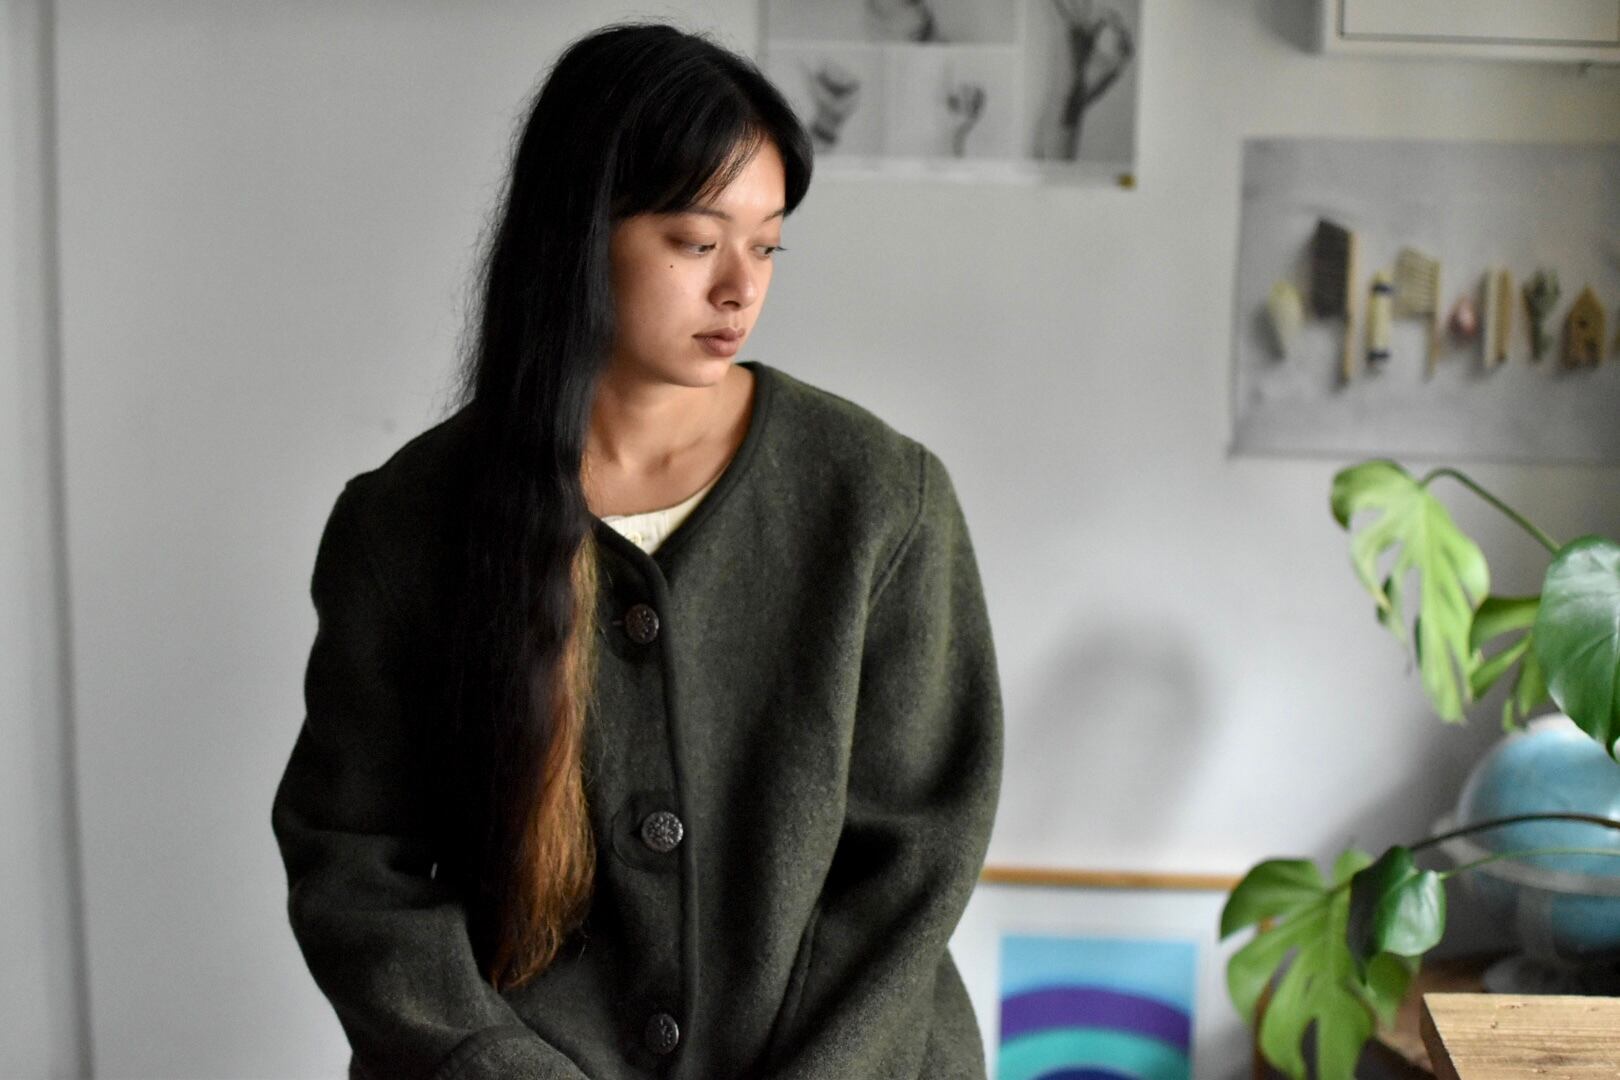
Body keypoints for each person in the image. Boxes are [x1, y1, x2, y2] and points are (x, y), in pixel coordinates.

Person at [270, 21, 1003, 1080]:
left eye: (767, 245)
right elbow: (355, 861)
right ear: (580, 233)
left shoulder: (880, 500)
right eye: (698, 242)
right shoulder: (407, 523)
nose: (740, 287)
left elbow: (914, 865)